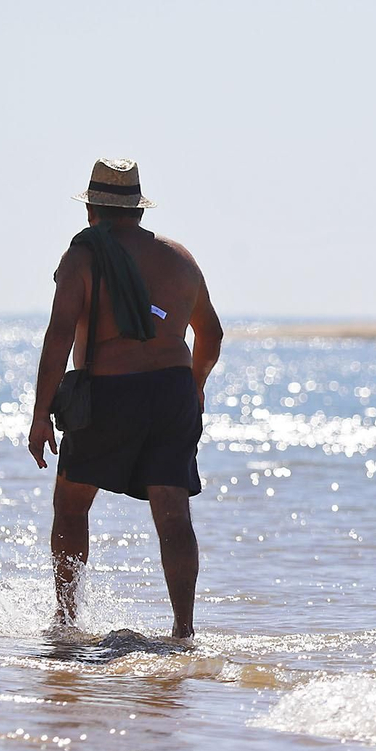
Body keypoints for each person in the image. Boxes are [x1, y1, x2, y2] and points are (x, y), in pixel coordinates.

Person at [27, 158, 223, 639]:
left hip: (109, 393)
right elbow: (212, 335)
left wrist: (39, 416)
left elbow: (57, 339)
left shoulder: (84, 257)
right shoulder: (180, 258)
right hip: (172, 394)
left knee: (71, 506)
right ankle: (183, 632)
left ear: (92, 207)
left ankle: (67, 621)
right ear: (137, 208)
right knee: (173, 514)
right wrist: (194, 386)